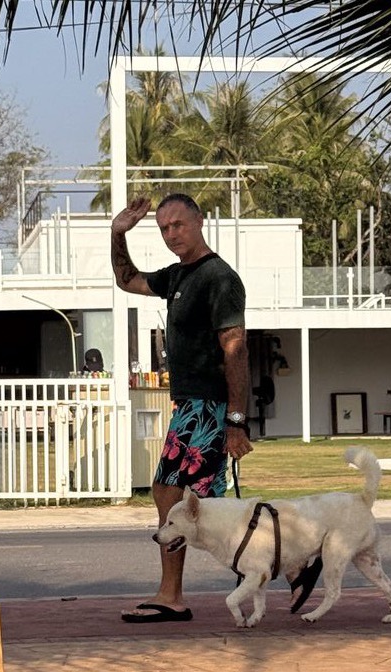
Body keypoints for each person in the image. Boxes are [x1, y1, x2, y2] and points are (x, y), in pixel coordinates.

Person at [109, 192, 253, 623]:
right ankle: (173, 593)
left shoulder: (220, 279)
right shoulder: (177, 277)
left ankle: (292, 561)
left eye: (179, 224)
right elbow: (127, 279)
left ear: (200, 220)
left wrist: (236, 421)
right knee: (190, 503)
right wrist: (117, 234)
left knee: (187, 503)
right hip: (189, 404)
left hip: (209, 406)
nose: (172, 233)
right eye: (164, 228)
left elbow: (237, 349)